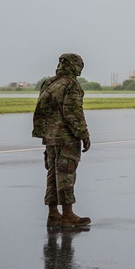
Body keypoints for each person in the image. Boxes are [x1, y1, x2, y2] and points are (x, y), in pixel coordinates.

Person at [33, 53, 92, 226]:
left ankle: (53, 214)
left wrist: (45, 133)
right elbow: (73, 112)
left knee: (52, 174)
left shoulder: (48, 83)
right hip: (66, 137)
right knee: (66, 174)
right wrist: (84, 134)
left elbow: (42, 111)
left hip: (50, 137)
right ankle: (67, 214)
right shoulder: (71, 85)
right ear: (75, 66)